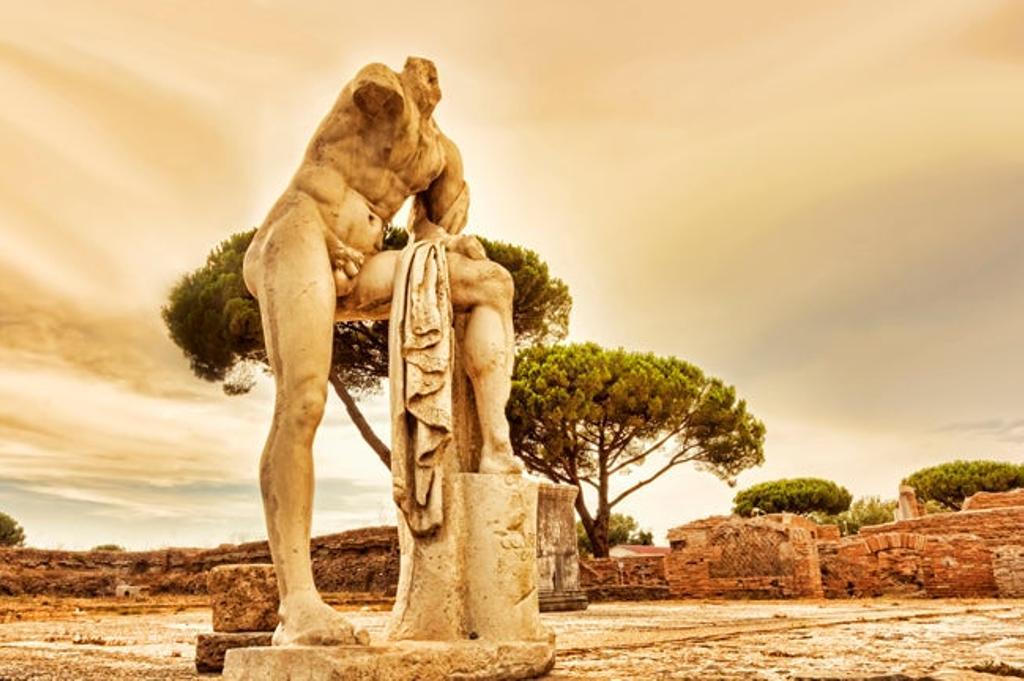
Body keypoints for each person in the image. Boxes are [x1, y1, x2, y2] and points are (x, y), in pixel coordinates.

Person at [242, 57, 520, 646]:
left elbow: (433, 235)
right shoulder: (380, 89)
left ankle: (497, 448)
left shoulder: (442, 156)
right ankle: (298, 604)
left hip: (361, 262)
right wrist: (394, 101)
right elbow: (372, 93)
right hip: (302, 233)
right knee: (303, 402)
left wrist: (451, 242)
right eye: (422, 73)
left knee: (489, 282)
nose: (430, 80)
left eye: (437, 77)